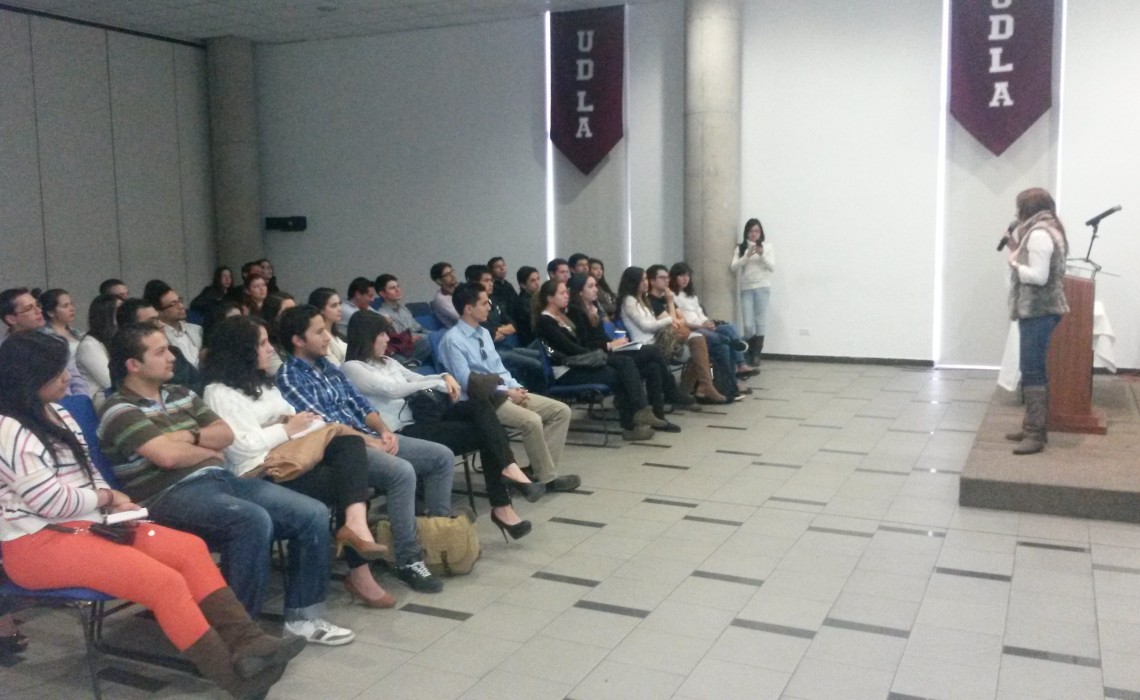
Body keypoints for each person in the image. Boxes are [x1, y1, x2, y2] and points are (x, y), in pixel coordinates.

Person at [0, 332, 304, 698]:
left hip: (87, 525)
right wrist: (107, 496)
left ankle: (248, 641)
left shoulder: (59, 411)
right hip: (35, 543)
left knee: (189, 549)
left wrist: (115, 503)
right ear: (29, 377)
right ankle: (235, 679)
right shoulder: (9, 429)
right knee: (163, 582)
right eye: (56, 372)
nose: (67, 377)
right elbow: (49, 502)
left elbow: (87, 471)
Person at [97, 321, 355, 645]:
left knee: (312, 513)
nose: (172, 357)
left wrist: (189, 438)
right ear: (133, 365)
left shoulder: (181, 394)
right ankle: (240, 636)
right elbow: (166, 457)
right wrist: (207, 449)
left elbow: (225, 435)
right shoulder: (119, 409)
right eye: (160, 352)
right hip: (166, 495)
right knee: (250, 520)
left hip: (220, 480)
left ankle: (304, 618)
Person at [201, 316, 396, 608]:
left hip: (291, 460)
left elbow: (306, 421)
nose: (271, 350)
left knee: (349, 444)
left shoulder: (264, 383)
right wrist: (285, 429)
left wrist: (290, 426)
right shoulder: (219, 392)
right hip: (258, 473)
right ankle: (357, 567)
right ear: (242, 350)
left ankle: (356, 528)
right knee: (350, 484)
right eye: (262, 344)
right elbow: (240, 448)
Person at [275, 305, 451, 592]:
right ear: (298, 340)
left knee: (441, 457)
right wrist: (369, 441)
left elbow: (361, 406)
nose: (327, 337)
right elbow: (323, 424)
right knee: (401, 472)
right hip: (339, 450)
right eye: (319, 332)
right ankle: (408, 559)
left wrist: (383, 430)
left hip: (368, 437)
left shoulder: (330, 368)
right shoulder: (290, 376)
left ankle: (439, 537)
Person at [342, 311, 543, 540]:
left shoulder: (388, 362)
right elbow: (392, 390)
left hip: (422, 419)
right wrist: (439, 382)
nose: (388, 339)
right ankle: (503, 504)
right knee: (488, 434)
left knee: (481, 410)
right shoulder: (352, 368)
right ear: (367, 336)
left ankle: (508, 476)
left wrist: (444, 376)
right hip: (401, 431)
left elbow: (417, 378)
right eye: (382, 334)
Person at [437, 284, 580, 492]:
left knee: (561, 411)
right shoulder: (452, 340)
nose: (489, 307)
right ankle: (546, 479)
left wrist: (516, 388)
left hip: (505, 392)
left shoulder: (483, 333)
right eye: (484, 303)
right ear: (468, 308)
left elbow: (499, 368)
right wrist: (506, 392)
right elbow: (467, 382)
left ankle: (537, 471)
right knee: (532, 421)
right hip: (481, 402)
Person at [533, 279, 662, 441]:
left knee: (625, 365)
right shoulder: (545, 321)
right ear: (550, 298)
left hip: (581, 361)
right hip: (567, 370)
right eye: (562, 293)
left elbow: (582, 341)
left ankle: (638, 419)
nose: (567, 295)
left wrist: (595, 330)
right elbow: (569, 348)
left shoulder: (562, 316)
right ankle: (635, 420)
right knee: (621, 371)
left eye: (566, 292)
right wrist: (594, 353)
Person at [567, 273, 694, 420]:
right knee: (652, 351)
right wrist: (609, 344)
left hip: (611, 348)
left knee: (653, 366)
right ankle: (670, 392)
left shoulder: (594, 308)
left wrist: (615, 342)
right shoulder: (576, 312)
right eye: (590, 286)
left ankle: (658, 416)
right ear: (580, 291)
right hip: (599, 354)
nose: (596, 289)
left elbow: (600, 337)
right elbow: (586, 343)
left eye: (595, 285)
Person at [1003, 188, 1070, 455]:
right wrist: (1015, 249)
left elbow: (1039, 277)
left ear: (1026, 210)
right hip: (1039, 309)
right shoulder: (1043, 229)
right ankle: (1032, 426)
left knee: (1032, 370)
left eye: (1018, 207)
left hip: (1039, 309)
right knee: (1032, 368)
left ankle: (1035, 434)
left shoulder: (1039, 234)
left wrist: (1014, 264)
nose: (1016, 213)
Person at [616, 267, 729, 404]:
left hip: (656, 338)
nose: (646, 282)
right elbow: (647, 326)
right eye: (643, 280)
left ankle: (693, 389)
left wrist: (672, 320)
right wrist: (670, 319)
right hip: (646, 343)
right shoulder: (630, 301)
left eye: (646, 279)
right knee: (700, 342)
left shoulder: (642, 300)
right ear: (634, 282)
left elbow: (678, 321)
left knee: (699, 342)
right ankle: (688, 390)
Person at [670, 262, 758, 384]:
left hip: (703, 325)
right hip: (693, 330)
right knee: (724, 345)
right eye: (682, 276)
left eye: (688, 275)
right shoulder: (672, 297)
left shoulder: (691, 295)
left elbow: (700, 313)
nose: (686, 279)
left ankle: (741, 364)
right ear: (674, 277)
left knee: (730, 327)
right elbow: (682, 322)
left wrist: (708, 322)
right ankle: (732, 378)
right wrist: (703, 326)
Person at [467, 264, 546, 391]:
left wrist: (498, 330)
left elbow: (513, 325)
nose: (491, 284)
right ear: (475, 283)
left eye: (491, 280)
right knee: (536, 364)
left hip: (506, 346)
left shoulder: (494, 302)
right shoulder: (475, 308)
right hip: (495, 351)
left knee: (542, 354)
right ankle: (537, 395)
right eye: (486, 280)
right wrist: (500, 330)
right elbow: (491, 333)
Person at [0, 287, 86, 397]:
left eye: (37, 305)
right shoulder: (4, 351)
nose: (39, 311)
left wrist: (82, 400)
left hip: (71, 402)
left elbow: (75, 377)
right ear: (11, 319)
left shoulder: (53, 341)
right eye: (29, 308)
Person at [731, 217, 775, 367]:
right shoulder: (741, 248)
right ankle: (748, 352)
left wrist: (762, 254)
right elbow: (733, 267)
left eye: (757, 231)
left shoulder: (767, 247)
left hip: (762, 286)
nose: (754, 234)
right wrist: (746, 256)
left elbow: (772, 267)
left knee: (760, 321)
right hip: (746, 288)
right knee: (748, 325)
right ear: (746, 233)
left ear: (761, 233)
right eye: (751, 231)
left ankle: (756, 354)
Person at [373, 274, 432, 365]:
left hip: (417, 340)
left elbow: (418, 328)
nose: (398, 290)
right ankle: (410, 364)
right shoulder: (382, 315)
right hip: (404, 348)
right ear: (382, 294)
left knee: (436, 337)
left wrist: (433, 334)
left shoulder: (404, 309)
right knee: (429, 342)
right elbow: (396, 339)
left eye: (398, 286)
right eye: (392, 288)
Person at [144, 280, 203, 369]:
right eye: (173, 304)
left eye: (180, 300)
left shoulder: (197, 329)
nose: (181, 306)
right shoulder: (159, 336)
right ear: (159, 311)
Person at [74, 293, 120, 405]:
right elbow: (110, 382)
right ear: (106, 315)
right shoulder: (89, 345)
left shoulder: (118, 339)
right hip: (102, 402)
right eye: (119, 310)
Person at [307, 288, 348, 365]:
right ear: (321, 310)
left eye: (339, 304)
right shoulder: (321, 338)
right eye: (334, 306)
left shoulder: (338, 334)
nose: (339, 309)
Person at [39, 289, 83, 354]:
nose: (72, 309)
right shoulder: (44, 337)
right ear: (51, 312)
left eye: (71, 304)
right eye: (65, 306)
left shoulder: (77, 333)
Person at [513, 266, 541, 346]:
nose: (537, 283)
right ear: (523, 285)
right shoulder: (522, 304)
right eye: (533, 281)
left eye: (538, 279)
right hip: (530, 343)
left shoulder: (537, 298)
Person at [429, 261, 460, 328]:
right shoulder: (441, 299)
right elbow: (461, 318)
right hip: (457, 330)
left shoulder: (461, 289)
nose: (453, 276)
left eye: (452, 272)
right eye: (448, 274)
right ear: (439, 281)